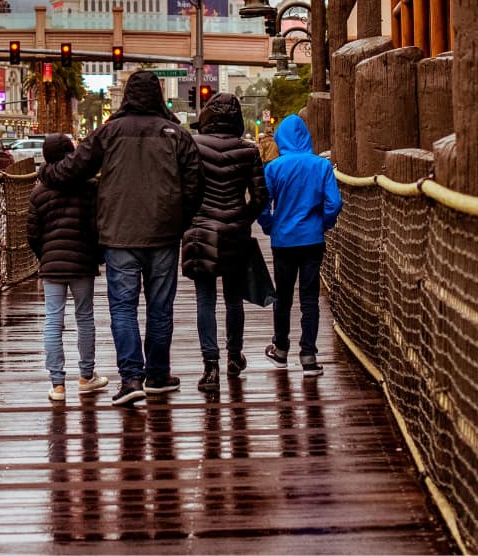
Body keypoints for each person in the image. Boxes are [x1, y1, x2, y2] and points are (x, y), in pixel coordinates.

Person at [39, 70, 202, 407]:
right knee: (160, 308)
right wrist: (178, 220)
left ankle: (130, 378)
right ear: (158, 95)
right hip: (163, 235)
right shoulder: (175, 133)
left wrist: (46, 172)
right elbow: (195, 185)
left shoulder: (108, 132)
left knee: (123, 309)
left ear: (127, 96)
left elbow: (74, 168)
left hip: (119, 235)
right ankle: (157, 374)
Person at [181, 92, 268, 392]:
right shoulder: (249, 151)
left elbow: (184, 189)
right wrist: (242, 218)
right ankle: (234, 356)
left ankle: (210, 367)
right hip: (235, 232)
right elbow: (260, 197)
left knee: (205, 299)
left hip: (201, 232)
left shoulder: (193, 147)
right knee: (233, 298)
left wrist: (191, 219)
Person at [258, 113, 342, 377]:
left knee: (282, 297)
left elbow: (262, 203)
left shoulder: (273, 168)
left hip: (283, 240)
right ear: (306, 137)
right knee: (309, 298)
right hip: (312, 239)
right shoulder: (321, 166)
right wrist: (323, 224)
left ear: (281, 139)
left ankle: (280, 349)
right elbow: (334, 203)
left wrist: (269, 225)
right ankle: (308, 355)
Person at [27, 134, 109, 403]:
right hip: (82, 262)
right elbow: (97, 226)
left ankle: (57, 384)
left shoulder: (38, 192)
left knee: (53, 320)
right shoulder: (89, 187)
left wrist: (46, 256)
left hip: (51, 265)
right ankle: (86, 376)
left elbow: (33, 234)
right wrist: (96, 255)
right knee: (84, 317)